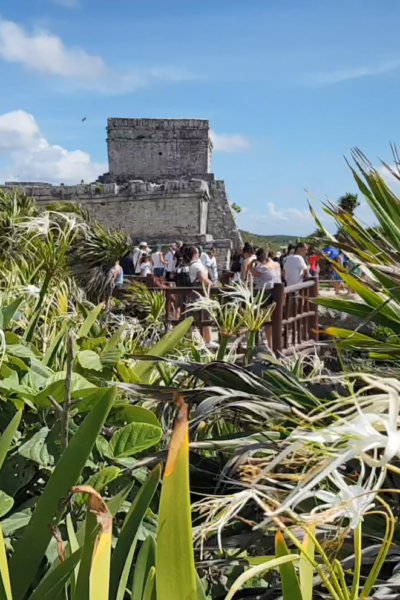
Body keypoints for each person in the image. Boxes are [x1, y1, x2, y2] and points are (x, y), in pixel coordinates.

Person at [187, 246, 218, 350]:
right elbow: (203, 279)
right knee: (206, 315)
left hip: (193, 293)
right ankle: (208, 340)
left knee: (194, 319)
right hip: (201, 293)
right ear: (196, 254)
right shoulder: (197, 265)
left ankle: (195, 341)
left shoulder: (190, 265)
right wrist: (211, 283)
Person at [252, 251, 282, 347]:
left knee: (264, 320)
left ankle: (266, 343)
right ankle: (272, 343)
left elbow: (254, 275)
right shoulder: (277, 264)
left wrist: (251, 265)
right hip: (276, 293)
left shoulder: (262, 267)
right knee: (273, 319)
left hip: (264, 293)